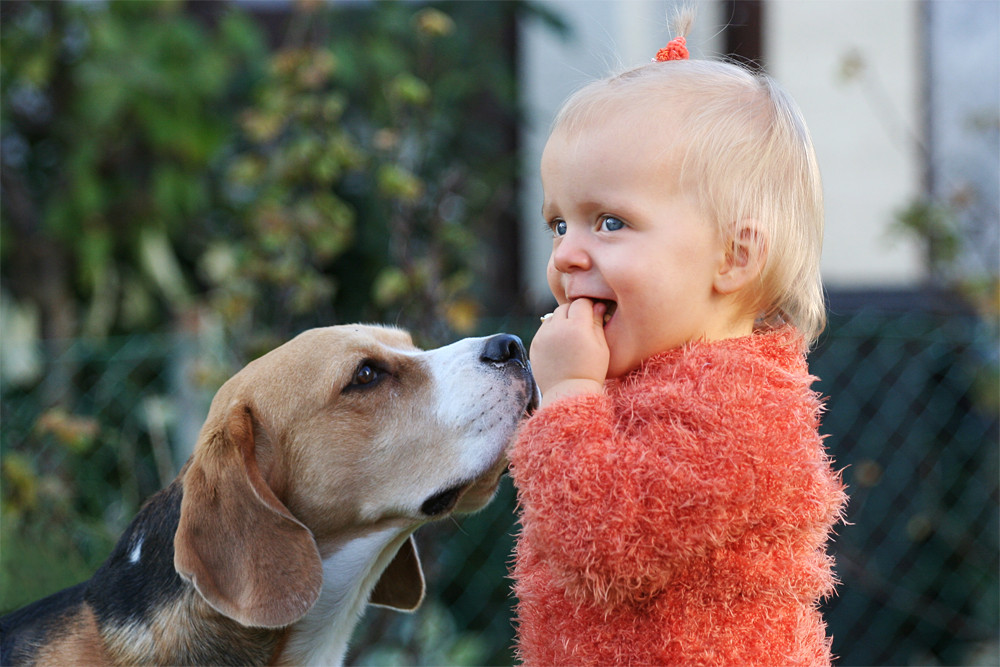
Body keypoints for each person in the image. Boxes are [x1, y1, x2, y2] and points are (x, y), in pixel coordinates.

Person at [508, 12, 848, 667]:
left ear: (735, 257)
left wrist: (571, 393)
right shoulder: (640, 381)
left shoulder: (740, 409)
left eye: (609, 221)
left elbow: (600, 536)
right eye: (558, 223)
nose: (568, 254)